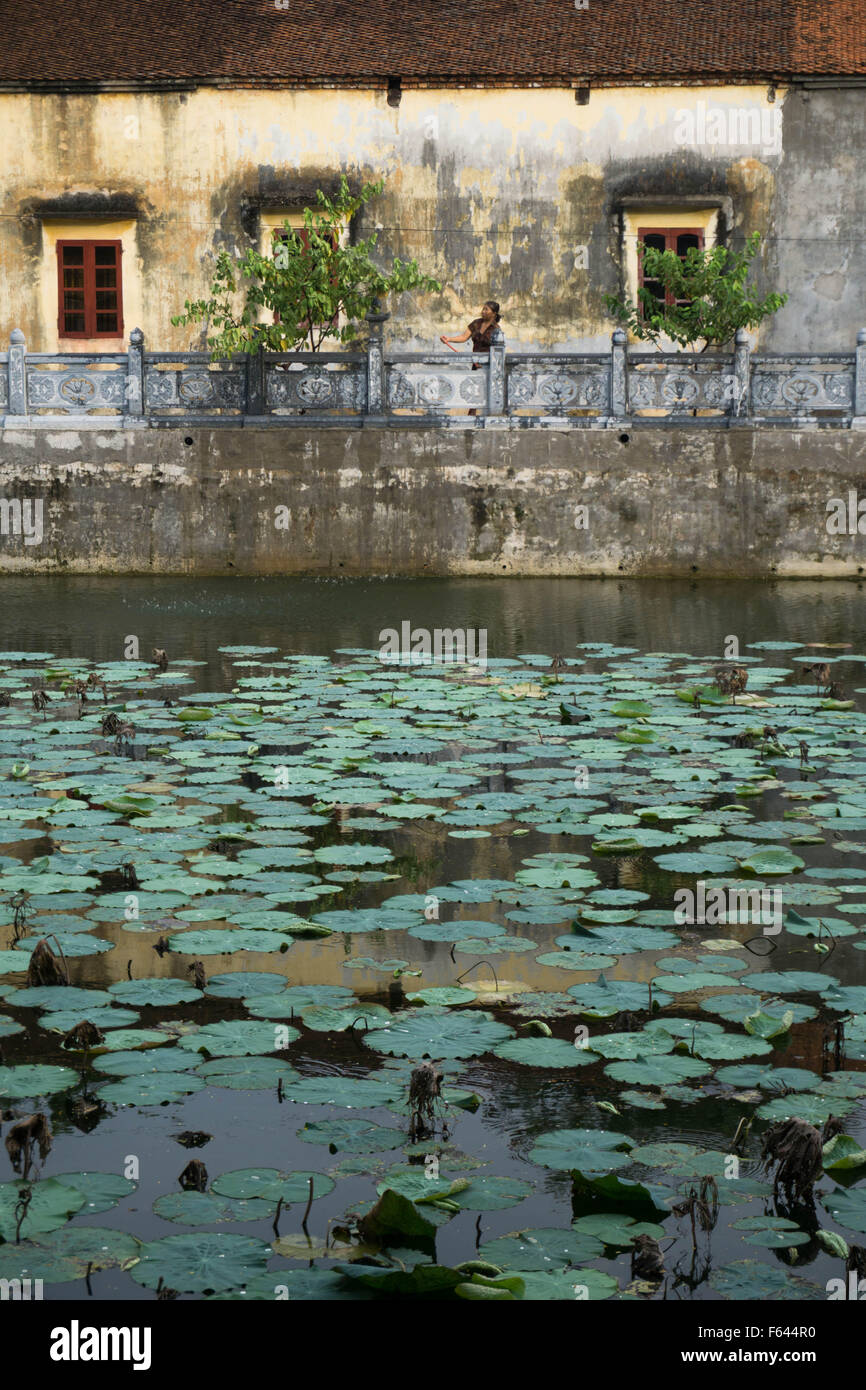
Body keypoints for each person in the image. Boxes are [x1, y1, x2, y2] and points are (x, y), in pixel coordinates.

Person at [441, 301, 502, 413]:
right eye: (483, 309)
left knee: (486, 391)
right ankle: (471, 416)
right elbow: (464, 337)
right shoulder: (476, 323)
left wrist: (487, 362)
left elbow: (498, 350)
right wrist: (449, 339)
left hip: (488, 364)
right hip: (475, 362)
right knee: (473, 389)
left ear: (494, 313)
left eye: (486, 310)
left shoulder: (496, 329)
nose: (483, 312)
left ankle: (489, 417)